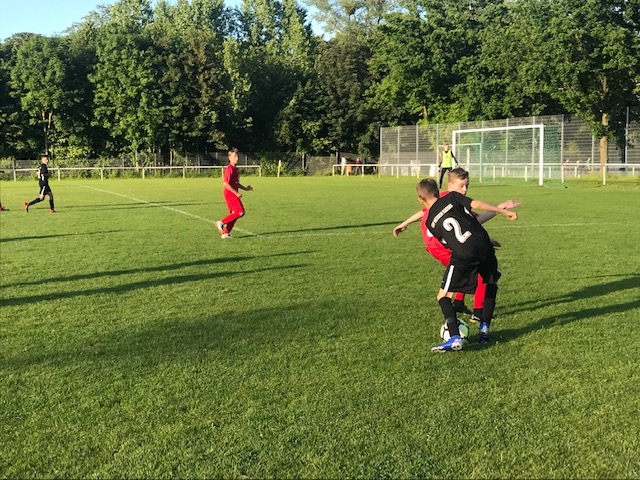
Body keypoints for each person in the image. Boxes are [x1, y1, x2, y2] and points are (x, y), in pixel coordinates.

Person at [402, 178, 517, 352]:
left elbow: (448, 243)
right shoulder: (452, 197)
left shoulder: (430, 221)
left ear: (420, 199)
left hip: (464, 253)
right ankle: (484, 329)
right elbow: (476, 205)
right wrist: (502, 211)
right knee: (490, 283)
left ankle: (454, 337)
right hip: (483, 243)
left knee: (443, 296)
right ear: (439, 192)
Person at [215, 147, 253, 239]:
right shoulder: (230, 169)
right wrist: (236, 193)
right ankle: (221, 222)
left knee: (234, 214)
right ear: (229, 157)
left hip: (232, 193)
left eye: (237, 156)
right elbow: (226, 183)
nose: (237, 158)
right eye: (235, 156)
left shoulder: (235, 169)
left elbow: (236, 183)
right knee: (240, 212)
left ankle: (226, 233)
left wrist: (245, 188)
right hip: (229, 194)